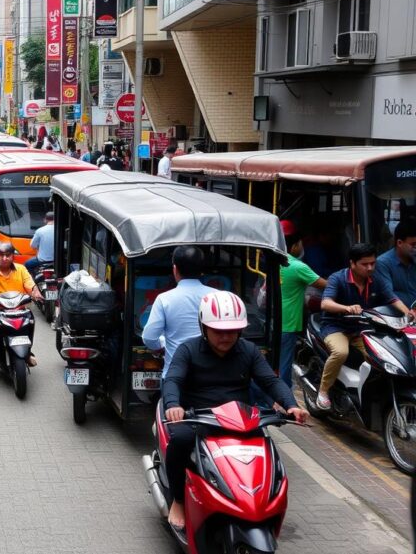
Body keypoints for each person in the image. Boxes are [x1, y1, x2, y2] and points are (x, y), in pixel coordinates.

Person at [162, 291, 309, 530]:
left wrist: (291, 405)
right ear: (203, 327)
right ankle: (178, 500)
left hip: (239, 419)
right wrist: (173, 405)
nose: (226, 336)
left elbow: (270, 381)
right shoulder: (187, 350)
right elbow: (173, 380)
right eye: (219, 330)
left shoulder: (249, 351)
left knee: (265, 448)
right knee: (180, 440)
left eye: (232, 330)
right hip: (197, 417)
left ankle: (255, 501)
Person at [317, 243, 415, 409]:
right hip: (336, 327)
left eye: (373, 263)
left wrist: (408, 314)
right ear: (352, 263)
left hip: (362, 328)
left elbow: (392, 298)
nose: (370, 268)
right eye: (365, 264)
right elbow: (325, 304)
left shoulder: (376, 280)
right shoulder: (338, 278)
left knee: (383, 356)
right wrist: (346, 308)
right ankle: (323, 391)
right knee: (341, 352)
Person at [142, 245, 217, 378]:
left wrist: (163, 342)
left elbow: (149, 338)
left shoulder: (164, 299)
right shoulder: (218, 296)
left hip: (176, 377)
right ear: (201, 270)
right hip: (211, 376)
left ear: (175, 269)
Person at [0, 242, 43, 366]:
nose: (4, 258)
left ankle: (27, 352)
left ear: (13, 256)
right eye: (1, 255)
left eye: (8, 255)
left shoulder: (21, 269)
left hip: (19, 306)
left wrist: (36, 292)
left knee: (31, 320)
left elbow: (29, 283)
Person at [278, 221, 326, 391]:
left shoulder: (274, 259)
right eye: (300, 244)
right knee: (284, 366)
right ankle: (283, 403)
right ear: (295, 245)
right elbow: (325, 285)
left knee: (273, 364)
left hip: (272, 319)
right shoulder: (297, 266)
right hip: (288, 322)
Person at [376, 221, 416, 309]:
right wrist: (410, 314)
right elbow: (388, 295)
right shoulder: (383, 263)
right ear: (399, 243)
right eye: (413, 245)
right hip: (397, 316)